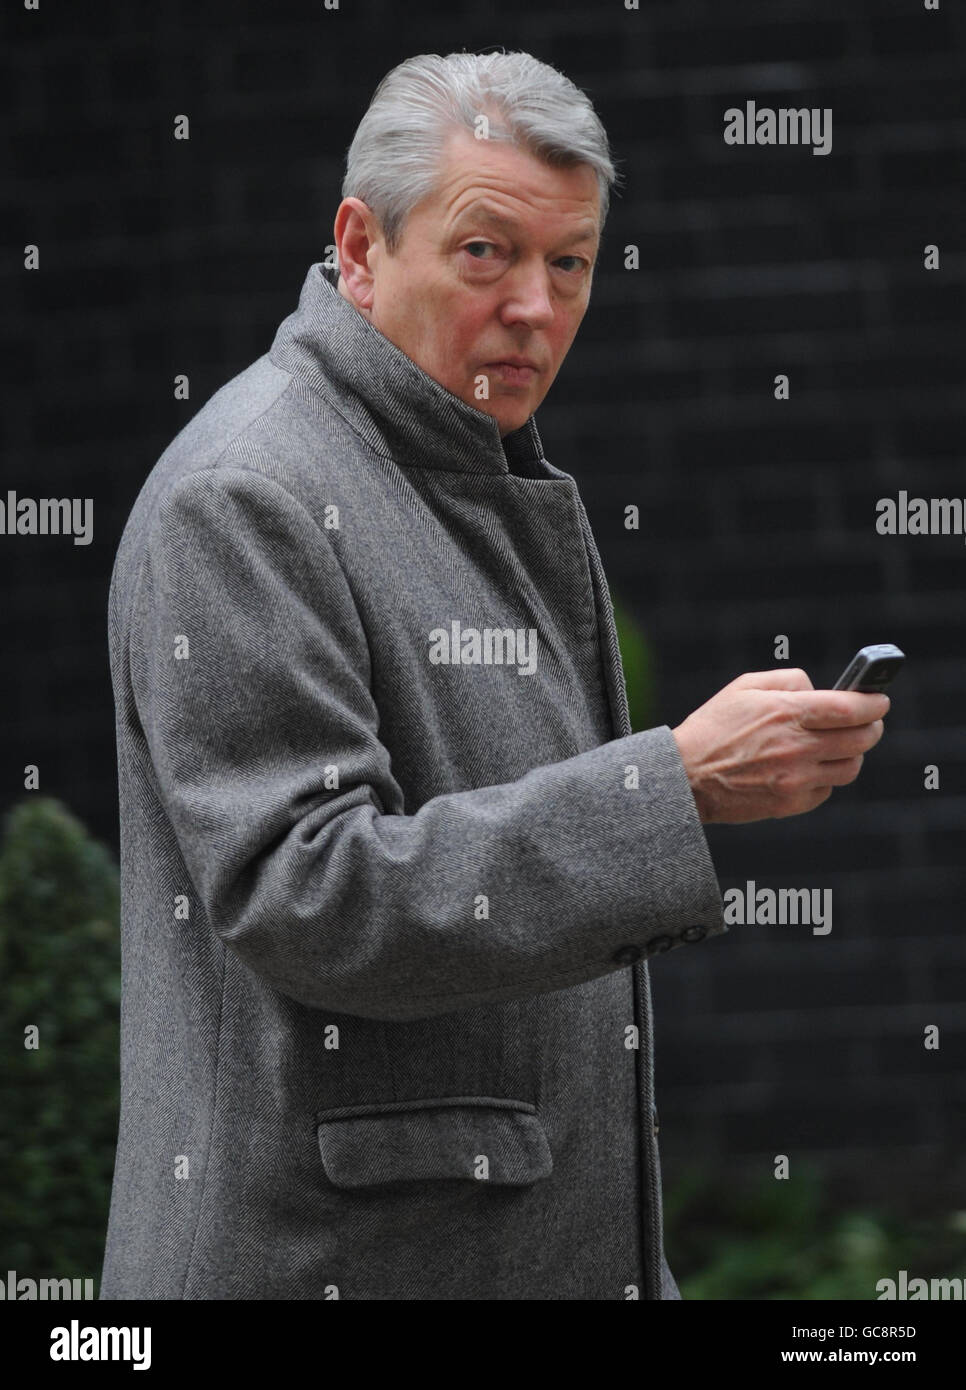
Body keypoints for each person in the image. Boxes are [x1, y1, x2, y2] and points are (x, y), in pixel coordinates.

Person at [99, 50, 889, 1301]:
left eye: (568, 262)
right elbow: (311, 895)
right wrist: (669, 789)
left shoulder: (466, 467)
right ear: (360, 248)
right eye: (486, 252)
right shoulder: (245, 497)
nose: (536, 304)